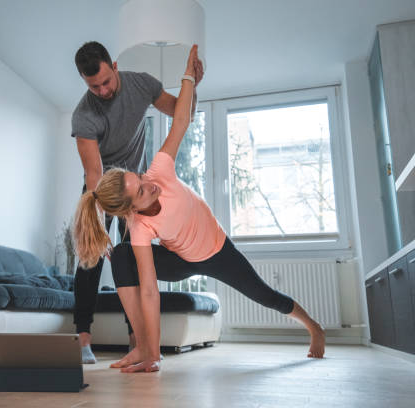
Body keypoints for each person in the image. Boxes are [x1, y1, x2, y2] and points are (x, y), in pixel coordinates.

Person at [73, 45, 326, 373]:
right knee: (121, 256)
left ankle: (313, 327)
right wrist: (155, 351)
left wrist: (189, 76)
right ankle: (142, 349)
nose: (149, 185)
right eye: (95, 87)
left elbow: (180, 120)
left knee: (264, 294)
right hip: (178, 257)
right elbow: (149, 290)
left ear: (115, 67)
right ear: (130, 212)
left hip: (216, 250)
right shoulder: (138, 226)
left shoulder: (157, 172)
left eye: (140, 179)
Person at [71, 41, 204, 363]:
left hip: (136, 186)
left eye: (106, 81)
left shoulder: (141, 83)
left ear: (114, 66)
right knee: (91, 258)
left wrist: (193, 87)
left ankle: (138, 339)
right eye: (94, 86)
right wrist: (100, 224)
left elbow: (179, 112)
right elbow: (94, 173)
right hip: (102, 191)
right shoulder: (84, 115)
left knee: (133, 257)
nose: (102, 90)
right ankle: (83, 339)